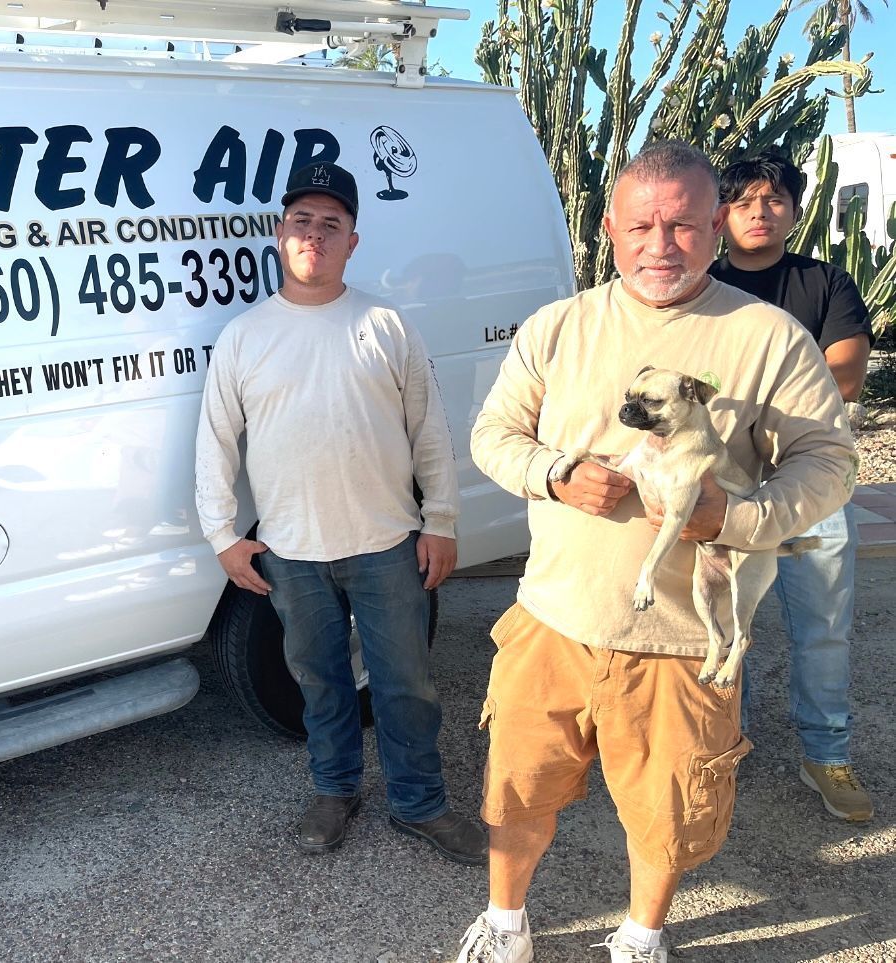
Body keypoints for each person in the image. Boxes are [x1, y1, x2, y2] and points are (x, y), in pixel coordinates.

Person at [455, 141, 856, 963]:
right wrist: (556, 472)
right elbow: (493, 436)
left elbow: (831, 462)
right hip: (555, 616)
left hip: (681, 635)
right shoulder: (559, 327)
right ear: (609, 229)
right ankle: (506, 926)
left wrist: (737, 516)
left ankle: (641, 937)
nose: (660, 245)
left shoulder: (768, 337)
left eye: (681, 225)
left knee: (670, 812)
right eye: (641, 225)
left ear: (715, 228)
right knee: (516, 788)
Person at [195, 161, 487, 865]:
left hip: (388, 544)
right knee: (321, 683)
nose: (315, 234)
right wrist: (223, 536)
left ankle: (420, 802)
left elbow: (429, 431)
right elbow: (215, 441)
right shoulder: (244, 336)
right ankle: (334, 790)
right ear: (280, 232)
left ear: (353, 241)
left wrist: (441, 520)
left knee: (406, 685)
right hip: (291, 553)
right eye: (303, 220)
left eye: (331, 224)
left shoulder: (385, 325)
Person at [710, 150, 874, 822]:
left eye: (774, 200)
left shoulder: (827, 285)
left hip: (812, 484)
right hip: (725, 485)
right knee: (723, 622)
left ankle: (826, 752)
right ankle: (725, 745)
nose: (759, 212)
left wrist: (746, 416)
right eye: (745, 201)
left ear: (796, 212)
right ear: (720, 213)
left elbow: (844, 379)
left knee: (823, 624)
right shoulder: (700, 287)